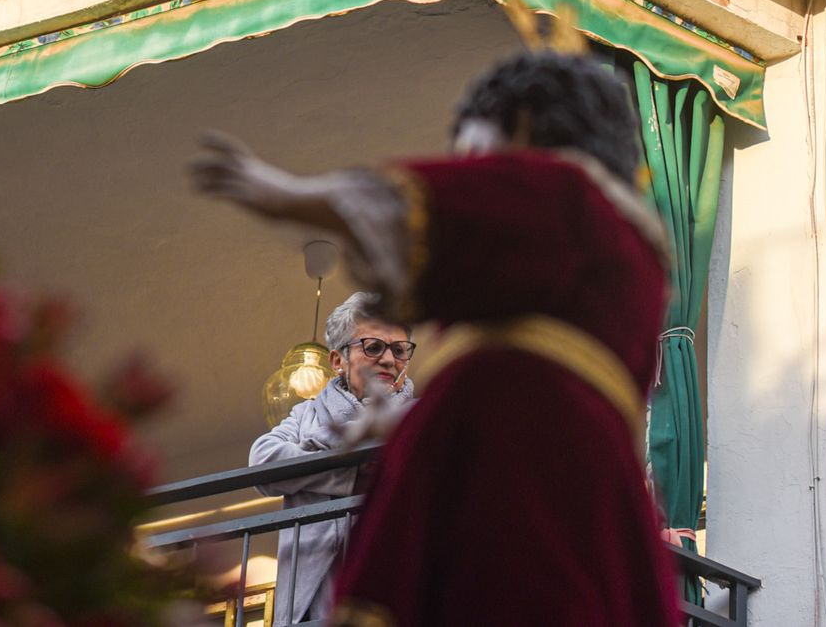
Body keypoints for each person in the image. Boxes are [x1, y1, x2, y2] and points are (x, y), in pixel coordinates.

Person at [192, 53, 679, 626]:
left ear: (523, 128)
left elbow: (444, 204)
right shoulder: (589, 254)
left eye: (478, 153)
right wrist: (401, 429)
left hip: (521, 477)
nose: (470, 168)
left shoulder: (572, 200)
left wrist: (296, 196)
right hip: (539, 478)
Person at [249, 293, 417, 625]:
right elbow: (263, 461)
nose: (389, 359)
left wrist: (317, 450)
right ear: (338, 361)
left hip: (397, 587)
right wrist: (355, 468)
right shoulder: (306, 414)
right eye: (373, 347)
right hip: (315, 602)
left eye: (399, 350)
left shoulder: (419, 413)